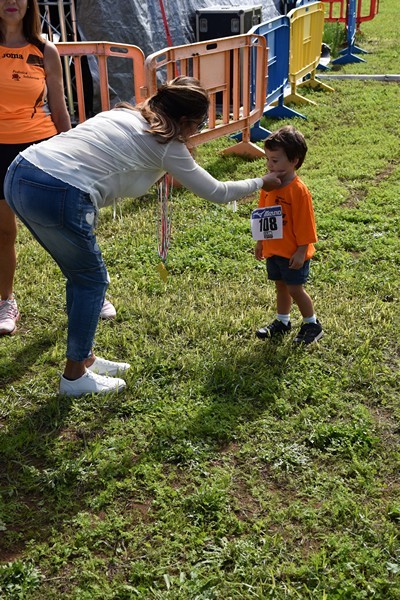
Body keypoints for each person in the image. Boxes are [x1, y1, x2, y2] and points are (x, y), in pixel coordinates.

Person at [5, 76, 282, 397]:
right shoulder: (167, 145)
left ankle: (86, 359)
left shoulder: (124, 113)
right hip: (57, 191)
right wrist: (262, 182)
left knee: (79, 276)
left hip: (19, 173)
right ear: (184, 121)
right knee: (91, 280)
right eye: (201, 122)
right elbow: (217, 192)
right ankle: (74, 377)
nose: (201, 128)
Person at [0, 0, 115, 336]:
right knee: (3, 234)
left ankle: (93, 288)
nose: (10, 2)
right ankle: (5, 300)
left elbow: (60, 107)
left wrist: (72, 153)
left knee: (67, 227)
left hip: (40, 149)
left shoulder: (45, 50)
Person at [254, 125, 323, 345]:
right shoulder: (268, 185)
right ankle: (283, 321)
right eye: (268, 160)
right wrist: (260, 241)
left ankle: (312, 324)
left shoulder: (298, 190)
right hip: (274, 249)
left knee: (295, 288)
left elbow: (306, 223)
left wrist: (302, 250)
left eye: (275, 161)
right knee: (280, 285)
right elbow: (262, 214)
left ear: (294, 161)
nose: (269, 165)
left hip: (293, 252)